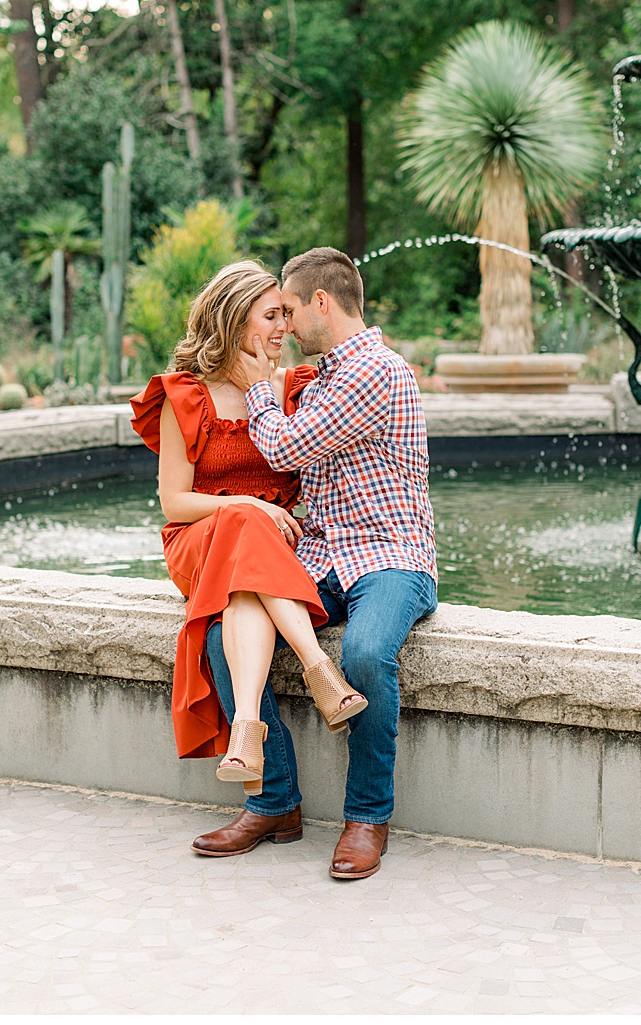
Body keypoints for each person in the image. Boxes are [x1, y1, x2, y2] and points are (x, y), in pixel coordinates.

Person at [191, 246, 438, 880]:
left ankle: (367, 817)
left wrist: (258, 391)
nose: (286, 326)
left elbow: (284, 449)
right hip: (324, 556)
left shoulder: (376, 372)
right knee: (222, 639)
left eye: (292, 310)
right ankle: (275, 803)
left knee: (363, 655)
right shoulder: (326, 375)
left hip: (392, 559)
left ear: (321, 302)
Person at [130, 261, 369, 807]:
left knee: (245, 577)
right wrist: (242, 502)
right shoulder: (185, 396)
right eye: (271, 315)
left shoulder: (295, 388)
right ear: (237, 323)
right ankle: (320, 670)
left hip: (272, 554)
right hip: (201, 539)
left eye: (287, 312)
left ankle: (245, 733)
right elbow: (174, 502)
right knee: (245, 521)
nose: (284, 325)